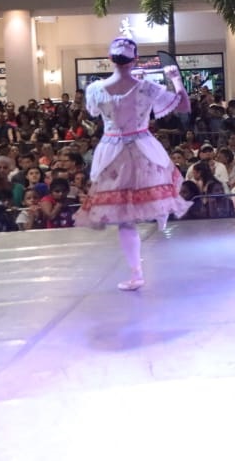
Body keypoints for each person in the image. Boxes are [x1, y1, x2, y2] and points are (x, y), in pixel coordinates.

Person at [74, 37, 193, 291]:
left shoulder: (95, 89)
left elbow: (94, 113)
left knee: (124, 217)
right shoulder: (147, 87)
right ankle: (160, 214)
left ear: (110, 59)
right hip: (141, 146)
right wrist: (175, 79)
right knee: (157, 188)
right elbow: (183, 105)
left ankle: (136, 273)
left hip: (112, 149)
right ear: (135, 59)